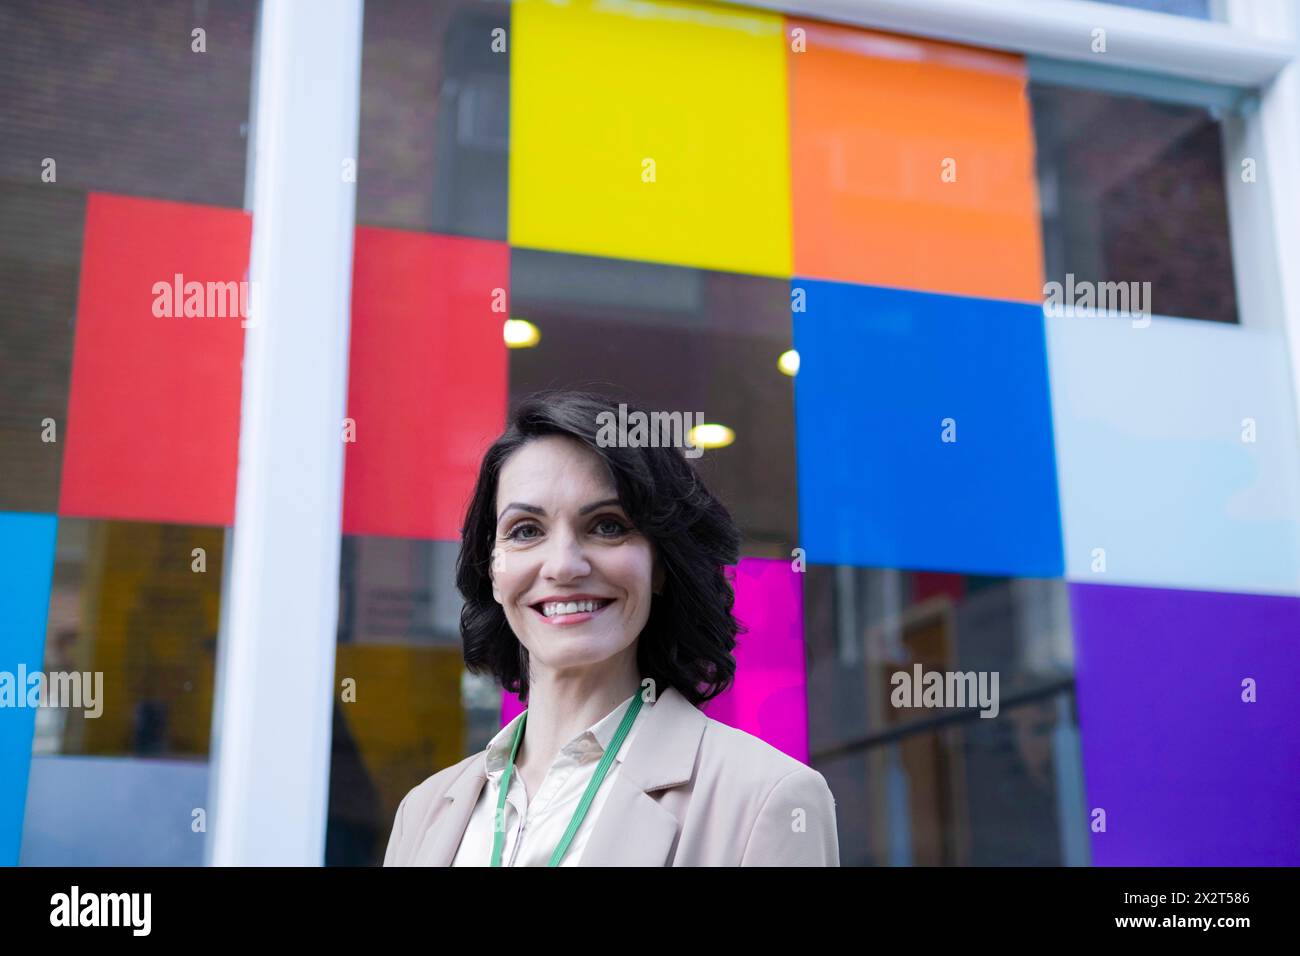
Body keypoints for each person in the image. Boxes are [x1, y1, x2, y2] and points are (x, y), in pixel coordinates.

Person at [382, 389, 839, 866]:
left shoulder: (769, 799)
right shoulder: (424, 811)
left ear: (660, 564)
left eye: (607, 526)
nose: (563, 565)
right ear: (492, 569)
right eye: (526, 531)